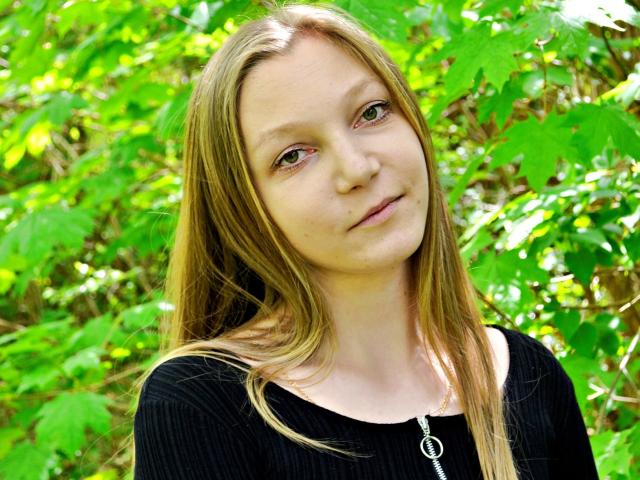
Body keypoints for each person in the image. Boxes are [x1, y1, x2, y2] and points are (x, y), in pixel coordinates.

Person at [132, 4, 599, 479]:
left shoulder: (529, 377)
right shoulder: (203, 405)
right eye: (293, 156)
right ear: (243, 208)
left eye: (371, 113)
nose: (357, 168)